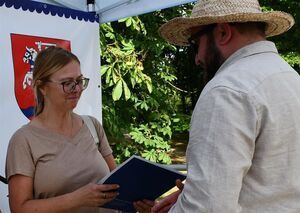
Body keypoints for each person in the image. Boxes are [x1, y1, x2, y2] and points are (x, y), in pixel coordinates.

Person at [152, 0, 300, 212]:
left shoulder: (226, 90)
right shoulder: (289, 77)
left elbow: (207, 207)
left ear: (222, 32)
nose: (197, 58)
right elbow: (273, 181)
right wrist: (190, 194)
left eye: (195, 44)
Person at [5, 46, 154, 213]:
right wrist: (77, 199)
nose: (76, 89)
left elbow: (119, 185)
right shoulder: (24, 140)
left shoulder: (92, 126)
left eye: (79, 81)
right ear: (42, 87)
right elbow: (19, 208)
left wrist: (137, 200)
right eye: (67, 83)